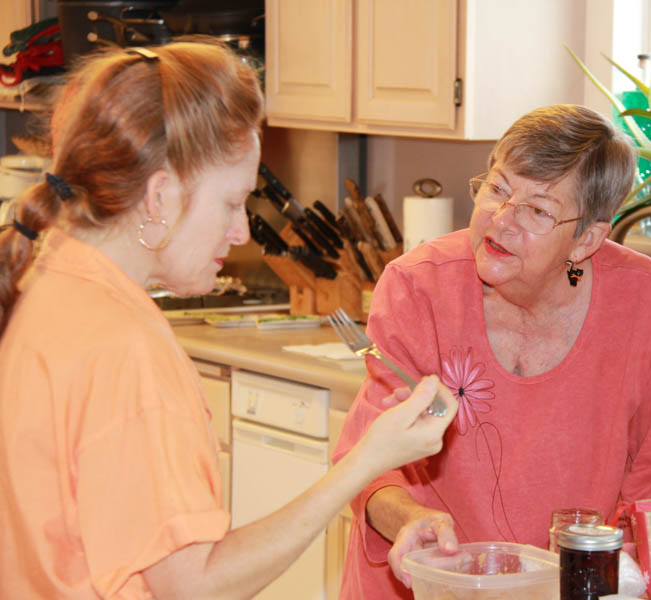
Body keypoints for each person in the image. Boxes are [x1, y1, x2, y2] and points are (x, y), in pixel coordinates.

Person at [0, 41, 458, 599]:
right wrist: (368, 459)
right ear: (160, 195)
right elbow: (195, 585)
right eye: (230, 202)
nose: (241, 231)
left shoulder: (43, 277)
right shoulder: (126, 345)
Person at [332, 104, 651, 598]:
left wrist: (649, 579)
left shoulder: (643, 301)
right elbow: (369, 460)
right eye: (497, 188)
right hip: (426, 587)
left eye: (537, 210)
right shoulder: (418, 287)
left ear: (587, 239)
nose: (502, 220)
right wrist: (411, 520)